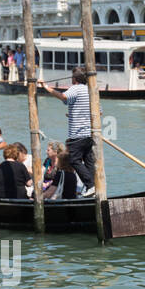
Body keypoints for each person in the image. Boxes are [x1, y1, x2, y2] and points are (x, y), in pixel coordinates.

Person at [40, 68, 95, 196]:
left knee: (74, 160)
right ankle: (92, 186)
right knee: (88, 161)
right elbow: (98, 112)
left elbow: (63, 96)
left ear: (75, 79)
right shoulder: (90, 90)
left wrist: (47, 88)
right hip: (88, 134)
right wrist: (75, 116)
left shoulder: (76, 88)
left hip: (77, 134)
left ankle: (91, 185)